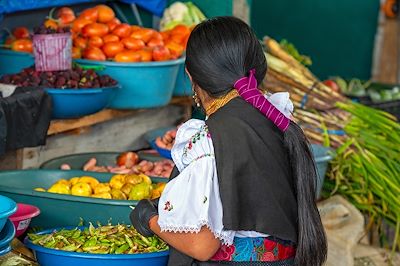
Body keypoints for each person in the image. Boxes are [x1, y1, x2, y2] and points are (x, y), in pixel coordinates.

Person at [130, 16, 327, 266]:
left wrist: (149, 219)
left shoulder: (209, 138)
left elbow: (202, 246)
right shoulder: (275, 117)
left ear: (191, 76)